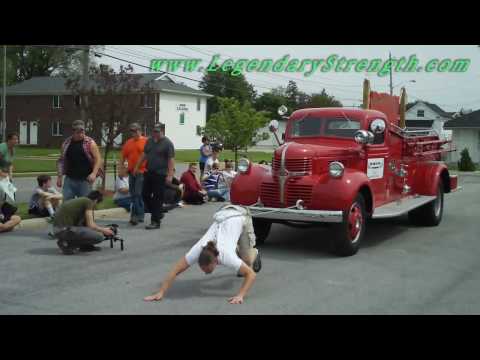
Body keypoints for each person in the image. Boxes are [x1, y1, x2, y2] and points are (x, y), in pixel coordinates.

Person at [144, 204, 262, 304]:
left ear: (216, 260)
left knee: (247, 262)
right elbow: (176, 269)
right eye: (204, 270)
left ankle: (254, 253)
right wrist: (160, 292)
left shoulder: (226, 255)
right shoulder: (197, 250)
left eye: (207, 270)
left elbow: (251, 275)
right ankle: (237, 250)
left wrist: (240, 295)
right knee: (239, 262)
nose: (206, 273)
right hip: (223, 212)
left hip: (240, 215)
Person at [133, 123, 175, 230]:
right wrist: (137, 167)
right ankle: (158, 212)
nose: (155, 133)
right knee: (144, 194)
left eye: (157, 131)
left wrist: (170, 175)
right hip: (149, 172)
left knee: (157, 197)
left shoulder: (167, 143)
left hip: (160, 174)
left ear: (162, 131)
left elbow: (171, 160)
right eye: (154, 131)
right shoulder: (150, 141)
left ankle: (155, 222)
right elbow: (144, 154)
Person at [52, 190, 114, 255]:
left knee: (88, 230)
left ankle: (81, 245)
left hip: (58, 230)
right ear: (95, 200)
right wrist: (104, 230)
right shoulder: (88, 202)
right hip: (64, 230)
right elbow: (91, 225)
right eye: (97, 203)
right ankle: (68, 245)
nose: (95, 206)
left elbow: (83, 225)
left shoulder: (81, 202)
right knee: (99, 236)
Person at [57, 120, 103, 201]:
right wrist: (59, 177)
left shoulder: (90, 143)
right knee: (67, 204)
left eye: (82, 131)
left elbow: (98, 159)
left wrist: (94, 173)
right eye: (78, 132)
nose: (81, 134)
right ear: (73, 131)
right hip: (69, 179)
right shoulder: (66, 144)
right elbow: (61, 161)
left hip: (85, 180)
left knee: (84, 204)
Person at [119, 122, 147, 226]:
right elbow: (122, 157)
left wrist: (138, 168)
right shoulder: (128, 143)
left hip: (142, 171)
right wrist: (121, 170)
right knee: (134, 194)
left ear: (140, 131)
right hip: (131, 172)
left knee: (137, 194)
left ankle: (134, 216)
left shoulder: (145, 141)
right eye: (131, 131)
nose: (133, 133)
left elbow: (147, 156)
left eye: (135, 131)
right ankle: (140, 215)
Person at [0, 160, 21, 233]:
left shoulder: (6, 185)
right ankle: (4, 227)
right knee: (6, 226)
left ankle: (3, 228)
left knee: (17, 218)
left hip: (2, 213)